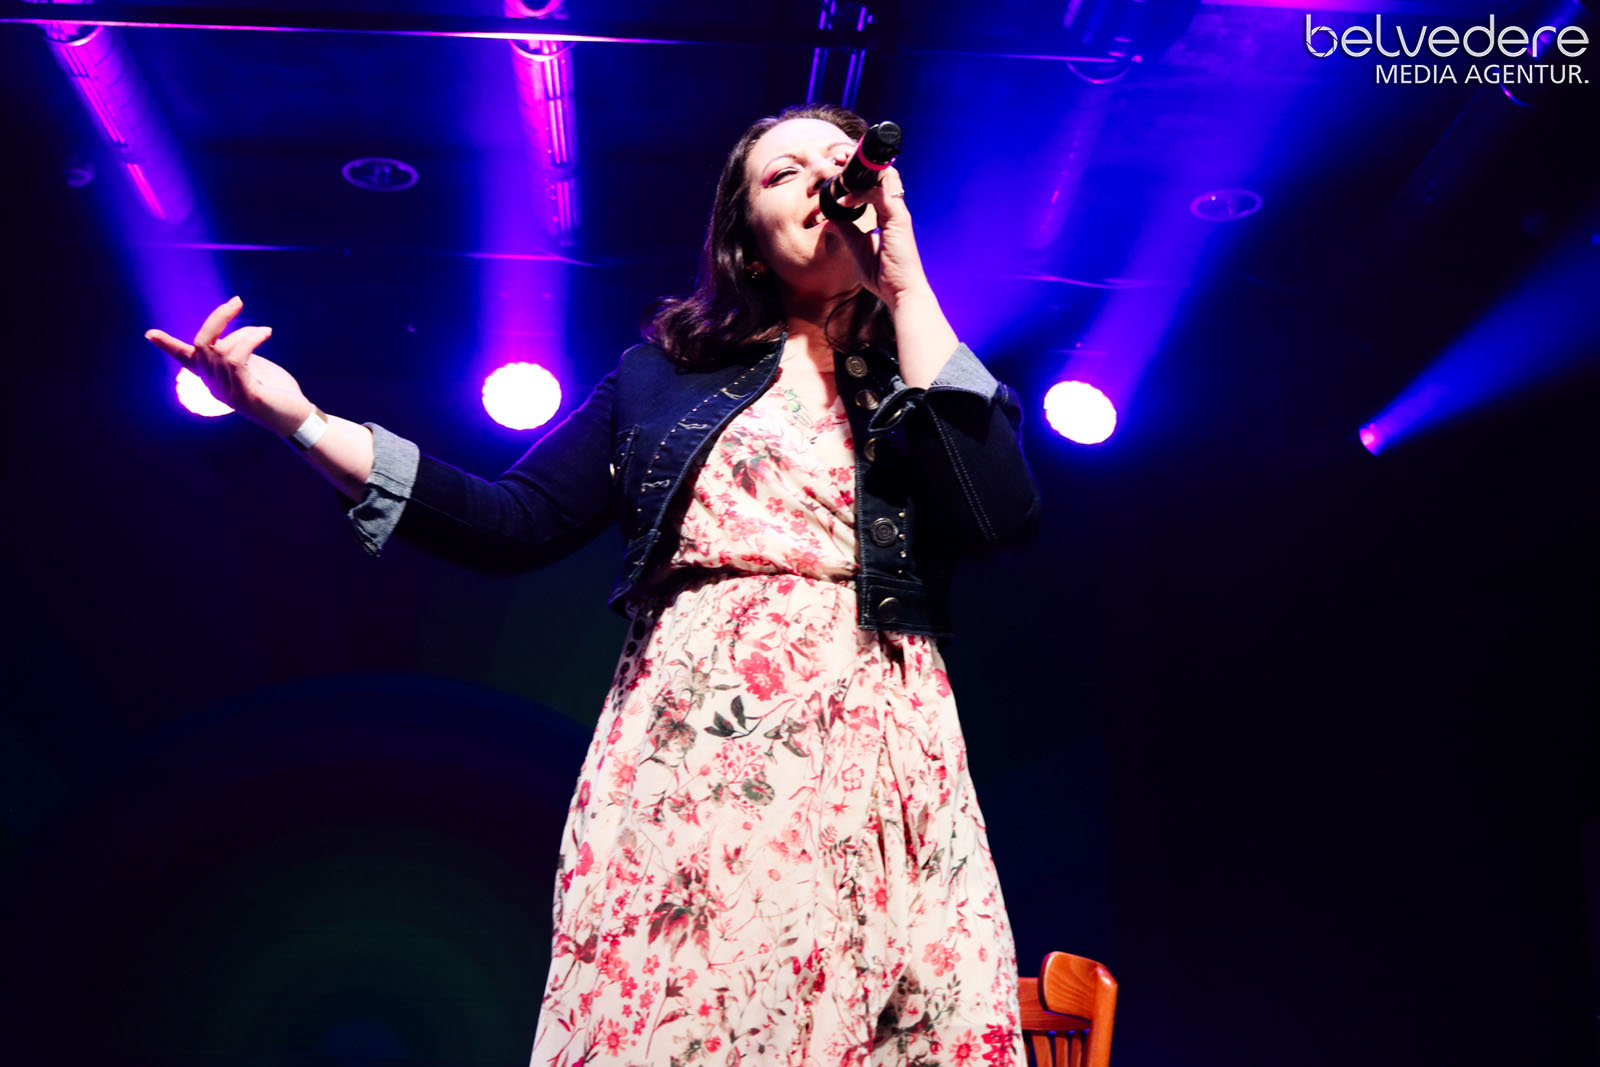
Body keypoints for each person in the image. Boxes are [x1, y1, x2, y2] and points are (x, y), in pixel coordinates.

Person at [147, 103, 1041, 1067]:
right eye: (783, 173)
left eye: (840, 160)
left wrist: (904, 285)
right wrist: (304, 422)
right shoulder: (660, 378)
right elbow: (510, 520)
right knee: (691, 1006)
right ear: (745, 237)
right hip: (697, 747)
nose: (824, 179)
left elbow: (999, 513)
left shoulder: (918, 361)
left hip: (880, 736)